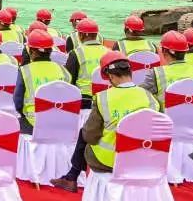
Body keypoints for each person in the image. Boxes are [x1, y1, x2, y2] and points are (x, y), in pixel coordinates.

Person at [50, 51, 158, 192]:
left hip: (109, 161)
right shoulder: (150, 97)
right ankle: (71, 177)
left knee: (85, 132)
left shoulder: (103, 98)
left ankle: (72, 177)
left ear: (111, 76)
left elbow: (90, 136)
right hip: (143, 156)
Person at [14, 29, 70, 134]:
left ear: (31, 51)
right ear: (50, 50)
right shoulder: (63, 70)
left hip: (33, 123)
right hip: (59, 121)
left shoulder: (24, 70)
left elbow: (17, 102)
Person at [140, 30, 193, 110]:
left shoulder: (156, 73)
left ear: (164, 51)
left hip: (167, 120)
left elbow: (142, 95)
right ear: (185, 51)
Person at [64, 18, 108, 110]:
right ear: (96, 35)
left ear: (80, 35)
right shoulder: (108, 52)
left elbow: (69, 80)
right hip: (105, 97)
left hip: (83, 99)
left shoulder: (75, 53)